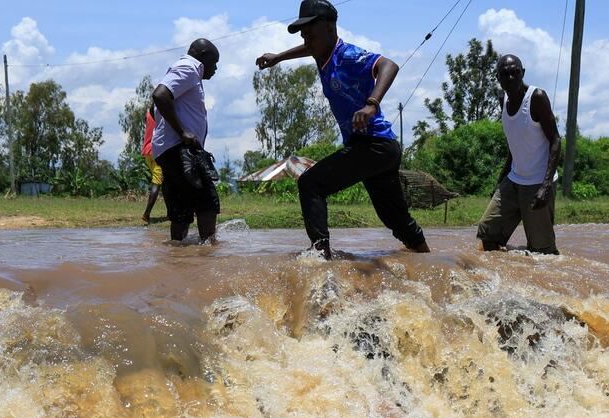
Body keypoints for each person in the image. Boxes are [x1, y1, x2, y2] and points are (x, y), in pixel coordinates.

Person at [256, 0, 429, 259]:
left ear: (328, 28)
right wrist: (278, 58)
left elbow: (389, 65)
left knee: (311, 183)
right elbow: (307, 49)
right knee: (395, 219)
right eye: (303, 35)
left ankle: (320, 257)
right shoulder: (321, 53)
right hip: (377, 149)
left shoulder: (347, 55)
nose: (306, 40)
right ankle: (427, 259)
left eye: (310, 34)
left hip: (374, 145)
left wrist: (372, 104)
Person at [476, 54, 562, 255]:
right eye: (505, 74)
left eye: (515, 72)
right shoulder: (502, 99)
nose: (511, 78)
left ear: (522, 73)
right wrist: (501, 180)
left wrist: (546, 185)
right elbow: (514, 144)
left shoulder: (536, 98)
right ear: (498, 78)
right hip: (513, 180)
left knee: (543, 253)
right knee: (488, 233)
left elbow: (556, 141)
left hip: (538, 183)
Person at [152, 39, 220, 243]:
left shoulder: (183, 71)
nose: (215, 68)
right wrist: (183, 132)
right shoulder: (189, 68)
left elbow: (157, 103)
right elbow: (160, 96)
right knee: (207, 202)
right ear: (203, 56)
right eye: (214, 62)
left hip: (169, 150)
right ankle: (208, 255)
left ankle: (178, 256)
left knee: (181, 208)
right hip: (181, 150)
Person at [141, 104, 163, 225]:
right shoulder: (162, 115)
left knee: (163, 181)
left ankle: (171, 211)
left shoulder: (148, 114)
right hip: (156, 151)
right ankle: (146, 214)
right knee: (157, 182)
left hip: (147, 152)